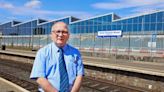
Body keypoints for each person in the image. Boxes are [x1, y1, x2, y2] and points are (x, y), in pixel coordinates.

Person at [30, 22, 84, 92]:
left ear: (68, 35)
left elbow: (79, 75)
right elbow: (40, 78)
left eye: (64, 32)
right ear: (52, 34)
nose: (61, 35)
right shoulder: (42, 52)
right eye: (58, 31)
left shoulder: (76, 53)